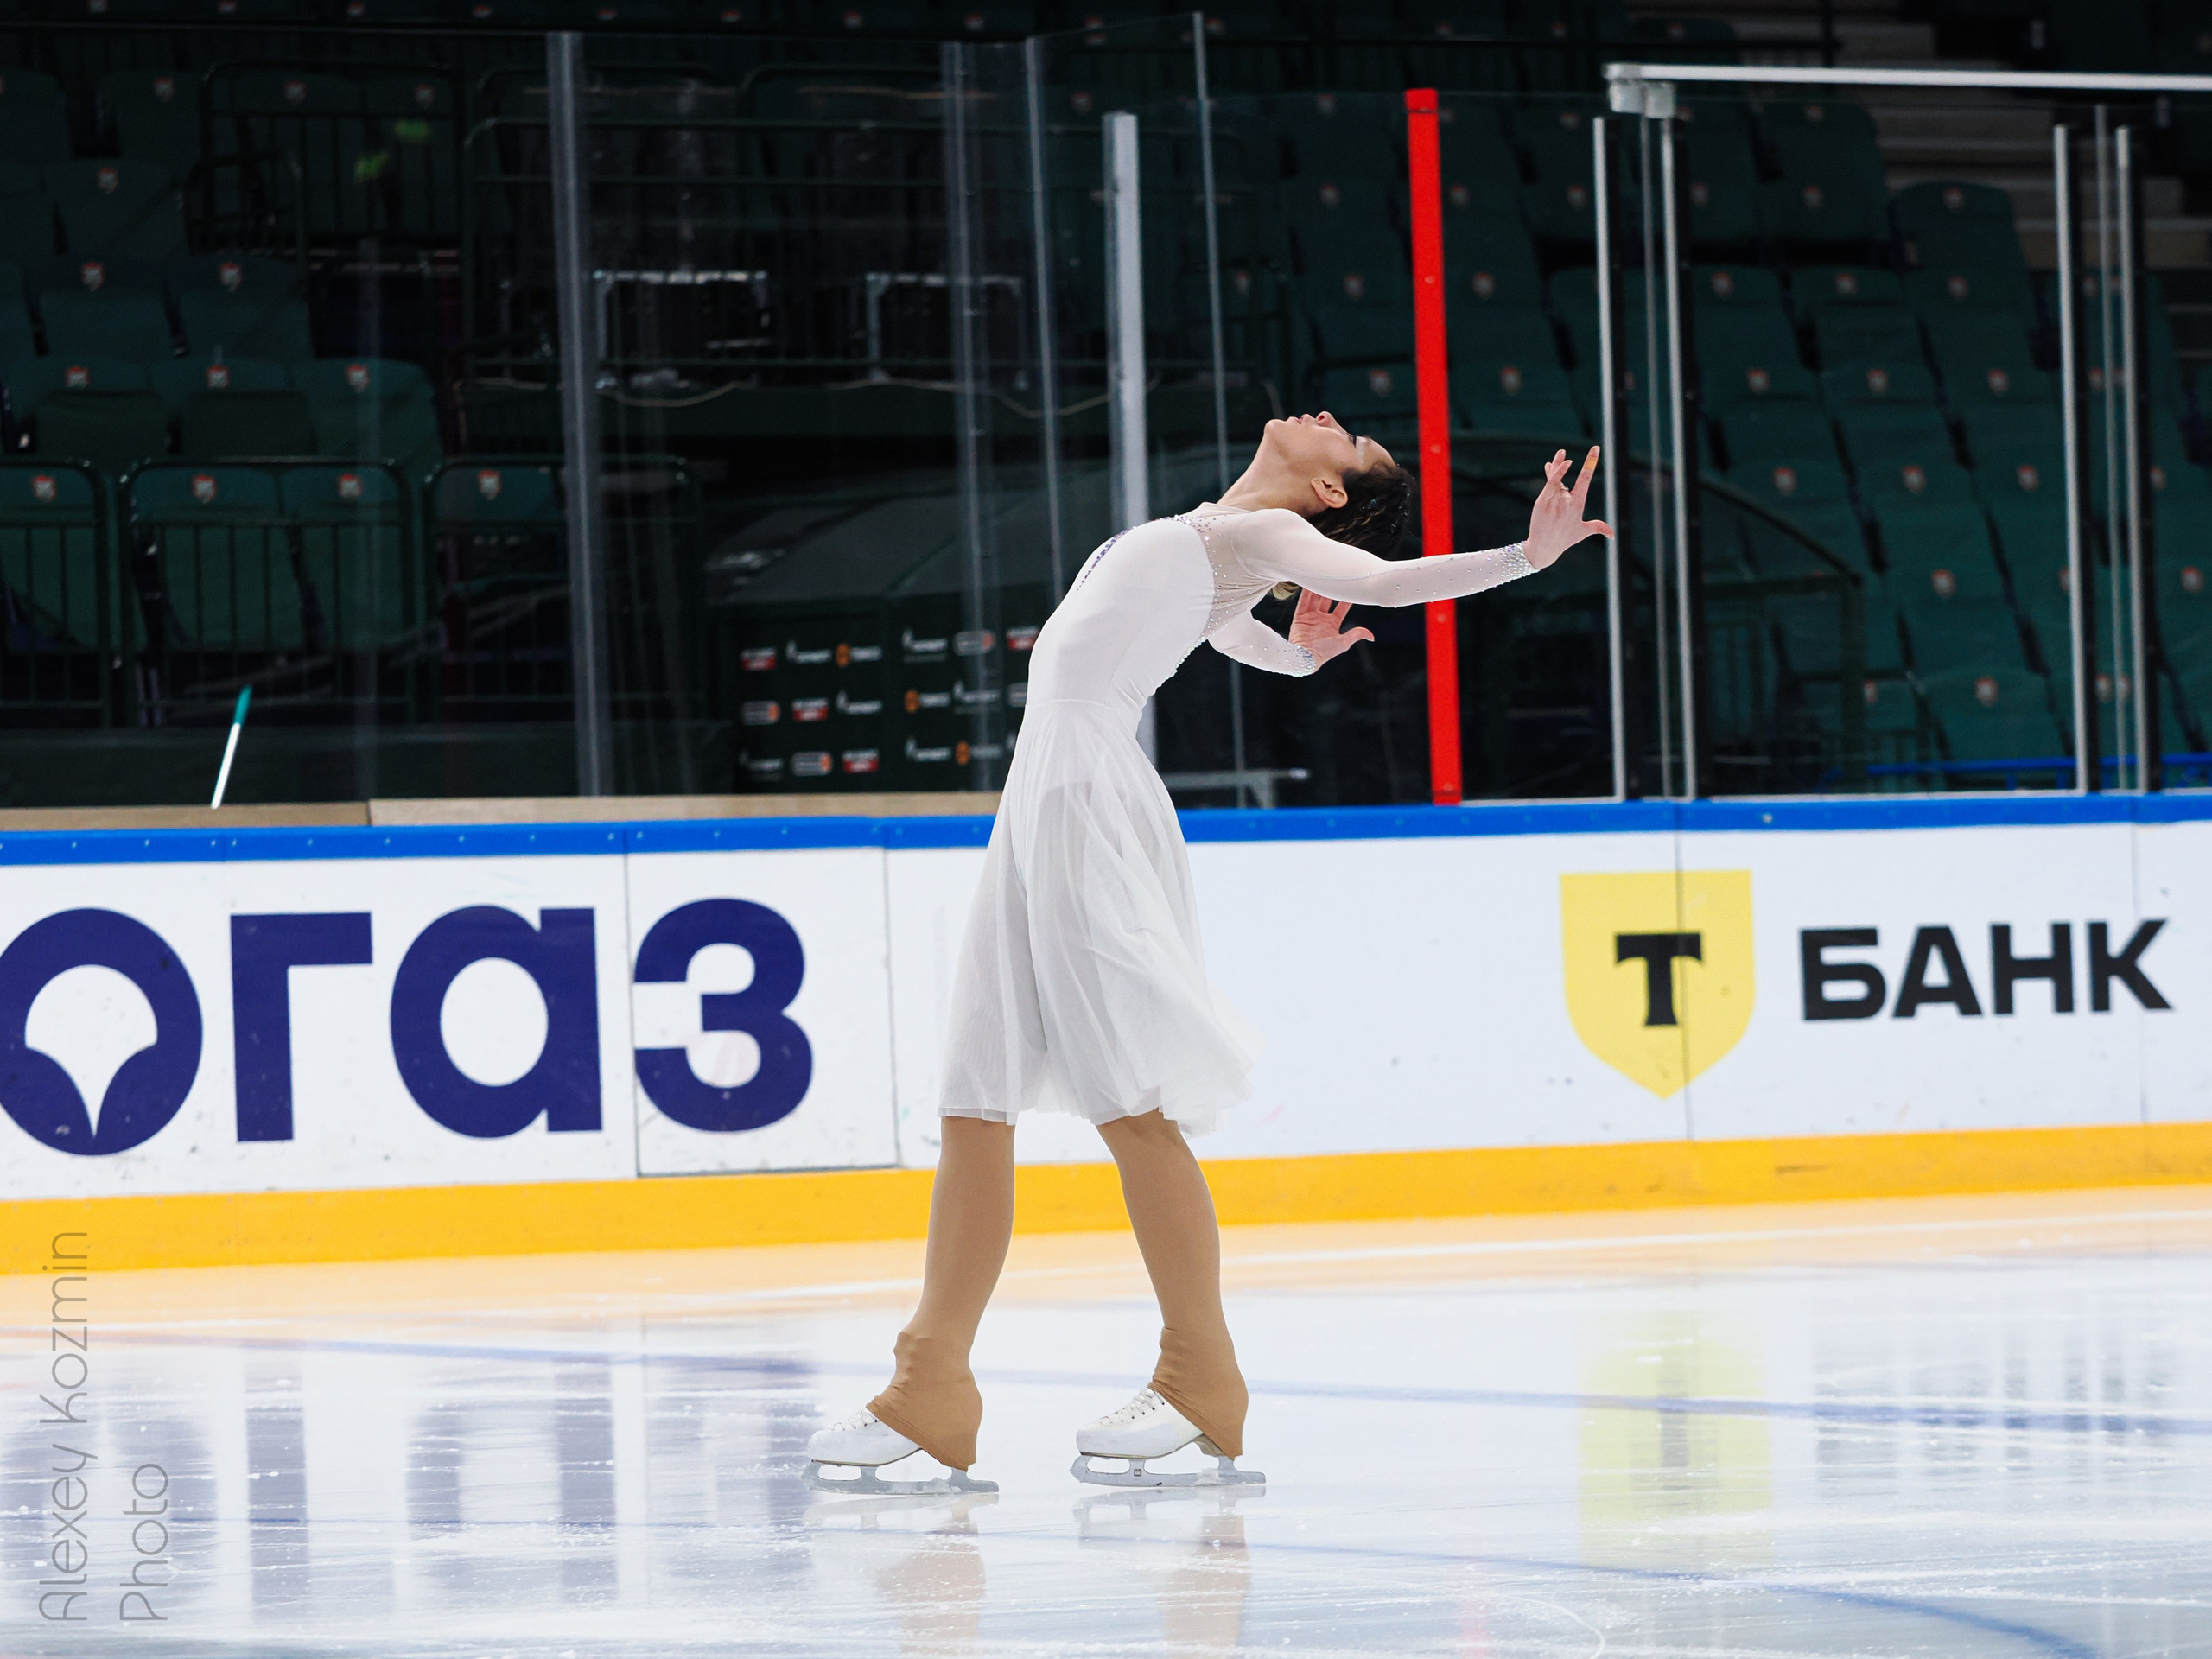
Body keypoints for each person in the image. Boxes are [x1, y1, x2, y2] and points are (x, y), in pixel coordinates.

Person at [805, 416, 1613, 1493]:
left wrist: (1523, 557)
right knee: (973, 1095)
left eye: (1352, 438)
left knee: (1131, 1101)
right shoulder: (1221, 537)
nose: (1330, 419)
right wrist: (1291, 653)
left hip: (1085, 805)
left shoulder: (1274, 537)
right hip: (1039, 802)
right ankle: (929, 1384)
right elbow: (1216, 629)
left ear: (1327, 489)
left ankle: (1199, 1377)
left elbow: (1378, 581)